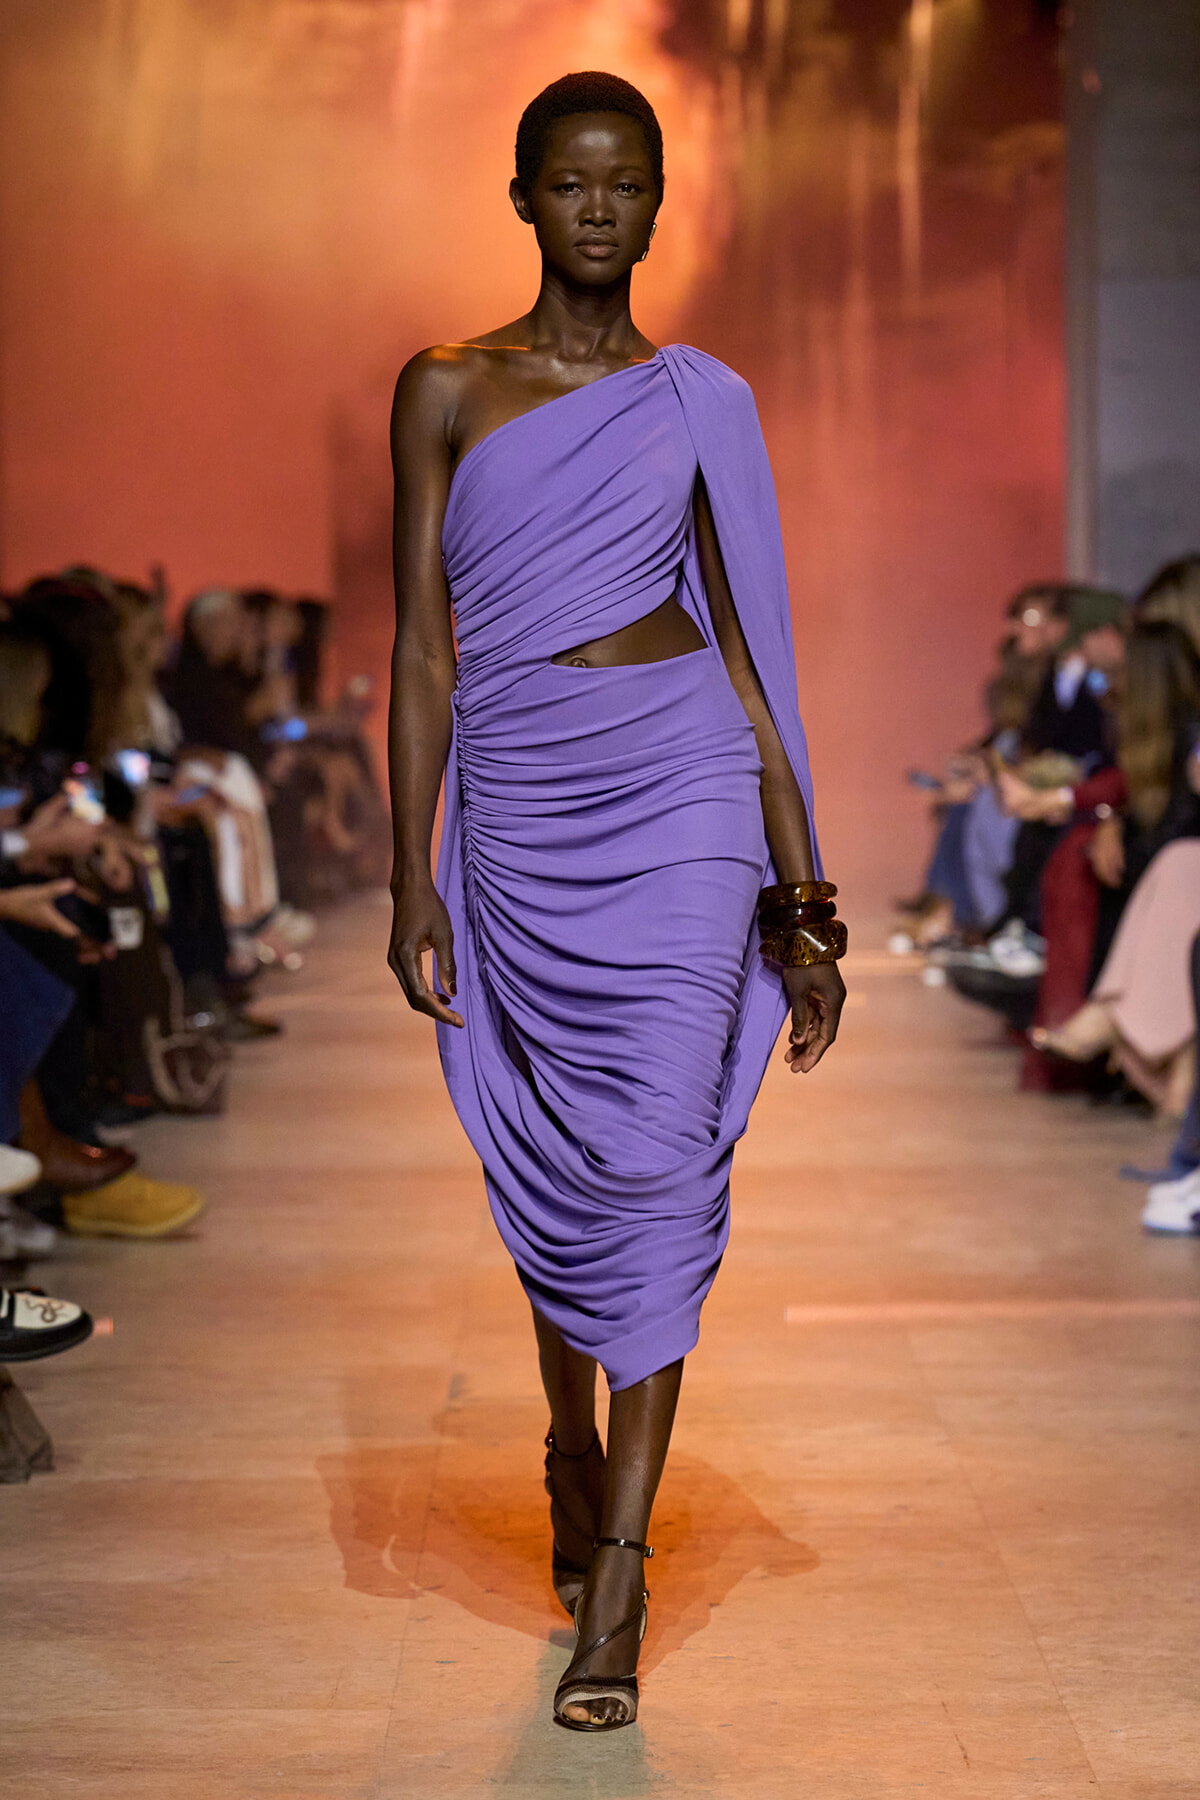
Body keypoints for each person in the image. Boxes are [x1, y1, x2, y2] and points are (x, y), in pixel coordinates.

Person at [386, 71, 845, 1732]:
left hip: (680, 788)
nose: (600, 208)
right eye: (572, 182)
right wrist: (410, 868)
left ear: (658, 201)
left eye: (628, 183)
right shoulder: (444, 386)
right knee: (557, 1143)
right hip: (519, 804)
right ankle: (567, 1435)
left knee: (655, 1154)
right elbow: (422, 648)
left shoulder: (701, 400)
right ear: (522, 196)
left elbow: (750, 649)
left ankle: (623, 1576)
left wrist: (803, 898)